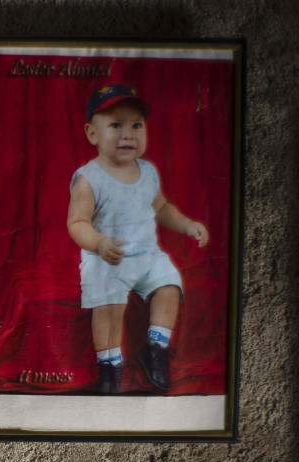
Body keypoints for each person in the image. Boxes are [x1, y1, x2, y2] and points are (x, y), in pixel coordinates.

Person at [67, 84, 209, 394]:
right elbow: (77, 222)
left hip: (147, 256)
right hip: (107, 257)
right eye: (116, 125)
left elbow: (161, 208)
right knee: (108, 308)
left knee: (170, 285)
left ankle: (155, 349)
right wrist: (98, 243)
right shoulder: (89, 178)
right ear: (92, 133)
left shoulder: (148, 171)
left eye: (136, 125)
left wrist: (187, 225)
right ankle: (110, 368)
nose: (128, 134)